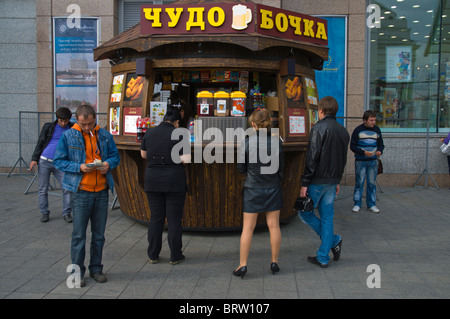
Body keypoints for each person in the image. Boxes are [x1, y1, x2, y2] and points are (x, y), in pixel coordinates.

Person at [53, 104, 120, 287]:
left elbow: (115, 156)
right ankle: (77, 273)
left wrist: (108, 164)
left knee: (99, 235)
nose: (88, 128)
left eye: (91, 123)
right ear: (77, 120)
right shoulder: (69, 135)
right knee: (79, 235)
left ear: (94, 119)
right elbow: (58, 160)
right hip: (81, 191)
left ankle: (96, 268)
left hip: (101, 191)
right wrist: (79, 167)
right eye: (84, 125)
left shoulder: (104, 135)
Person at [299, 96, 349, 268]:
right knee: (327, 217)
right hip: (332, 181)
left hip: (317, 180)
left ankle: (332, 242)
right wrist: (337, 180)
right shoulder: (343, 131)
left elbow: (312, 158)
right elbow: (343, 159)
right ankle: (324, 254)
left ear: (320, 111)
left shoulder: (318, 128)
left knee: (304, 213)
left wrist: (305, 182)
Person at [234, 108, 284, 278]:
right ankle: (274, 261)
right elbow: (281, 167)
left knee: (248, 228)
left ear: (253, 124)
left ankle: (242, 265)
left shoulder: (246, 143)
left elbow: (241, 168)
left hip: (253, 188)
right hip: (273, 187)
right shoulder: (277, 142)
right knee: (274, 225)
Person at [141, 109, 190, 265]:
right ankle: (175, 256)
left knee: (156, 219)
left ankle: (153, 255)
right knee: (174, 220)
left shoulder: (149, 132)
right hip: (174, 180)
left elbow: (143, 155)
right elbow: (186, 160)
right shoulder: (180, 134)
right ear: (176, 122)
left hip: (152, 179)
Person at [30, 107, 73, 223]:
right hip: (45, 161)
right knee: (43, 188)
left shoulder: (73, 127)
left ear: (69, 119)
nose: (63, 123)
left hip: (61, 162)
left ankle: (67, 212)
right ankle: (44, 212)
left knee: (67, 188)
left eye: (65, 121)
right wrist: (34, 159)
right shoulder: (48, 127)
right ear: (57, 118)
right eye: (60, 121)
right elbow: (40, 142)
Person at [350, 110, 385, 213]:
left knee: (371, 183)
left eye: (374, 120)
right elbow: (353, 146)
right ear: (365, 120)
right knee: (359, 183)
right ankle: (357, 203)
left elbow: (381, 144)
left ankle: (371, 204)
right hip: (361, 160)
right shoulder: (358, 130)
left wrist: (380, 151)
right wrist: (363, 152)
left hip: (373, 161)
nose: (373, 122)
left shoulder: (377, 130)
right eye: (371, 120)